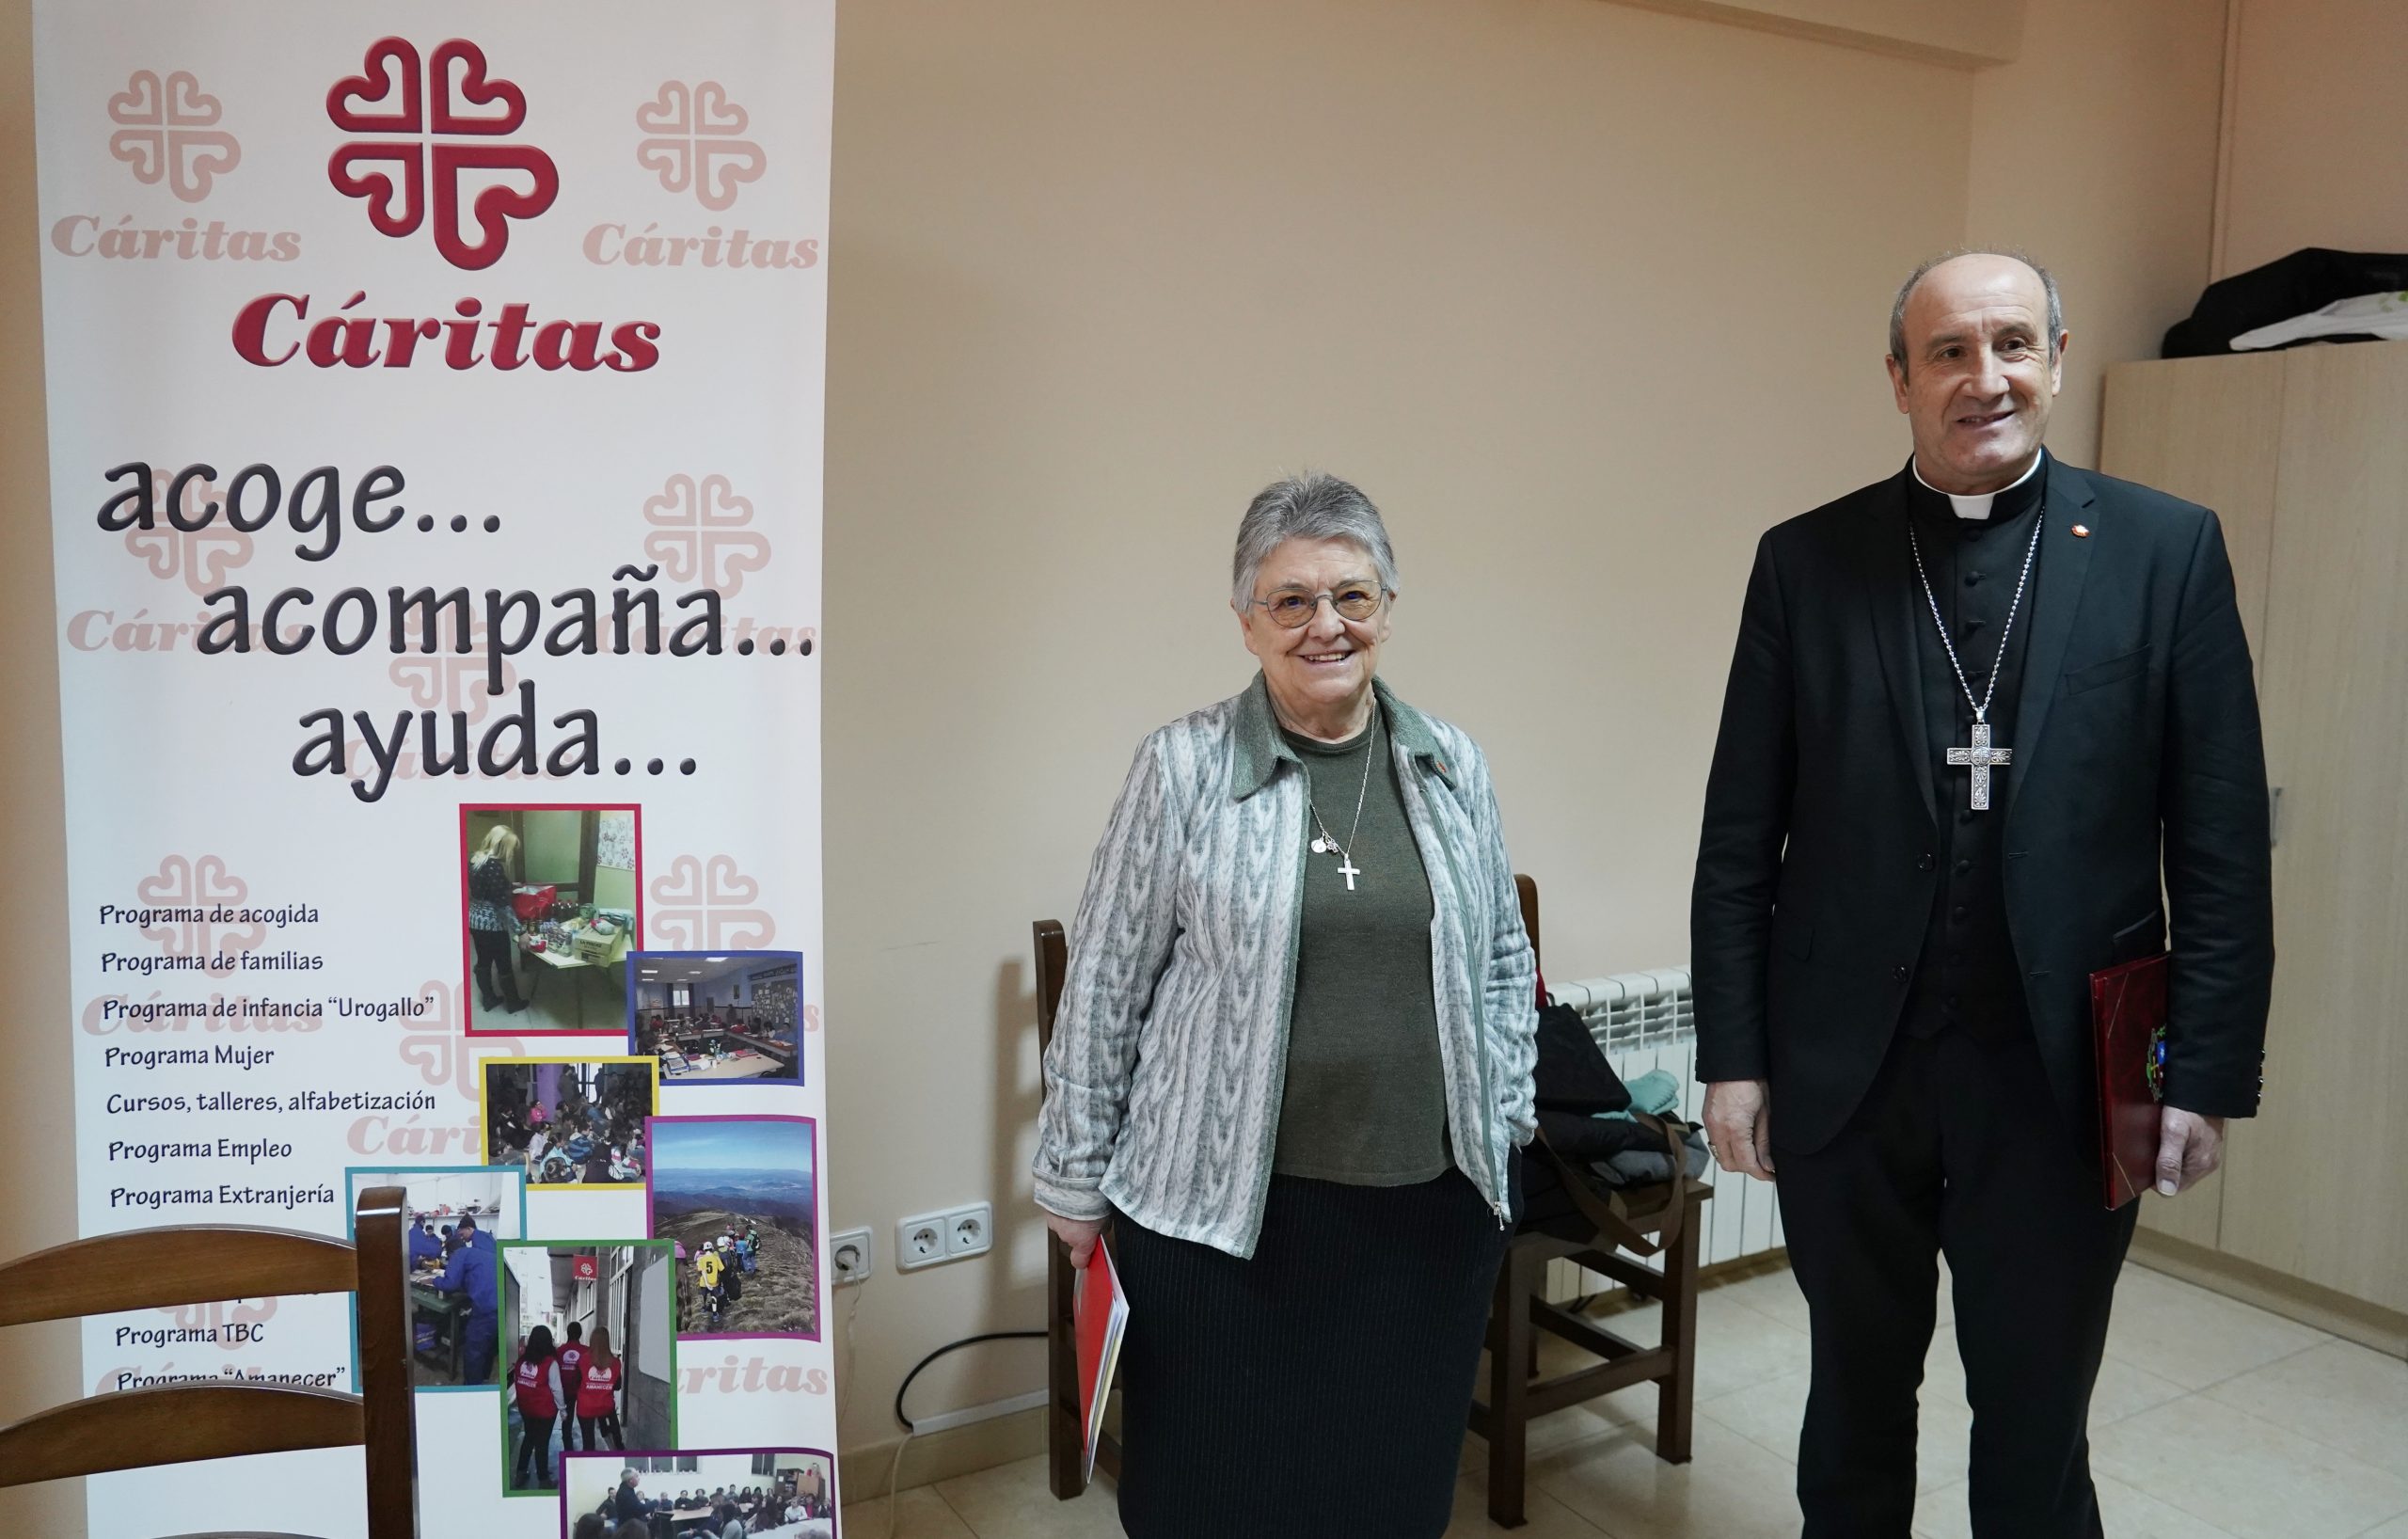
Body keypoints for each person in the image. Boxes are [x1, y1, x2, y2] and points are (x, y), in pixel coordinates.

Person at [1691, 250, 2273, 1539]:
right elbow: (1741, 838)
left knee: (2035, 1422)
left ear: (2057, 362)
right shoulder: (1806, 561)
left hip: (2063, 1084)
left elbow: (2221, 840)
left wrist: (2205, 1073)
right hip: (1852, 1073)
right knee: (1851, 1405)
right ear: (1899, 379)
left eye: (2013, 344)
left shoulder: (2165, 552)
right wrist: (1736, 1060)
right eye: (1949, 351)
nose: (1985, 377)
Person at [1030, 472, 1537, 1539]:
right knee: (1212, 1497)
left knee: (1387, 1494)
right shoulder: (1182, 768)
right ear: (1246, 619)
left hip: (1428, 1213)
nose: (1325, 626)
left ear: (1387, 610)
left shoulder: (1453, 767)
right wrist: (1075, 1179)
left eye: (1351, 596)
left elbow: (1499, 960)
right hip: (1222, 1223)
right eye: (1291, 600)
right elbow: (1107, 984)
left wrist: (1508, 1117)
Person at [466, 823, 528, 1013]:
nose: (511, 853)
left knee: (483, 962)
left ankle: (489, 999)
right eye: (510, 848)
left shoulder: (476, 860)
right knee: (504, 965)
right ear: (501, 846)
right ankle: (513, 1003)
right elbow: (503, 906)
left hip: (475, 921)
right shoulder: (493, 866)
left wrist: (508, 885)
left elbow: (487, 889)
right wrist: (521, 932)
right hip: (492, 926)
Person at [432, 1214, 499, 1384]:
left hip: (485, 1308)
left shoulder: (461, 1254)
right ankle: (484, 1377)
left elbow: (449, 1284)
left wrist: (435, 1280)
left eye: (462, 1232)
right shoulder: (486, 1243)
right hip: (500, 1302)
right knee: (489, 1346)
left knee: (474, 1351)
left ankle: (472, 1389)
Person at [508, 1325, 560, 1489]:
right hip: (545, 1411)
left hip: (526, 1409)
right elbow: (557, 1389)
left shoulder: (521, 1361)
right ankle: (544, 1480)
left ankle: (520, 1474)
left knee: (529, 1439)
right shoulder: (550, 1363)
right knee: (542, 1444)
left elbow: (518, 1383)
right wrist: (563, 1409)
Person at [576, 1325, 626, 1451]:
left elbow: (577, 1382)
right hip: (605, 1405)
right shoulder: (615, 1362)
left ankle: (589, 1464)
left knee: (588, 1444)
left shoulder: (582, 1360)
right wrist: (604, 1384)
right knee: (614, 1423)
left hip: (585, 1407)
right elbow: (618, 1386)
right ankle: (619, 1448)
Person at [554, 1321, 588, 1453]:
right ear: (580, 1334)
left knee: (567, 1418)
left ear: (568, 1333)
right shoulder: (586, 1351)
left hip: (565, 1389)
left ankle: (567, 1445)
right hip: (582, 1391)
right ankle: (587, 1447)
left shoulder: (560, 1351)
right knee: (585, 1419)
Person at [693, 1244, 724, 1325]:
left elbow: (700, 1270)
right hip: (714, 1281)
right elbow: (721, 1269)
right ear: (712, 1248)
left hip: (704, 1282)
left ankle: (704, 1308)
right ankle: (715, 1314)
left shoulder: (701, 1259)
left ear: (704, 1249)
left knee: (704, 1296)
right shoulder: (716, 1258)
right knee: (714, 1297)